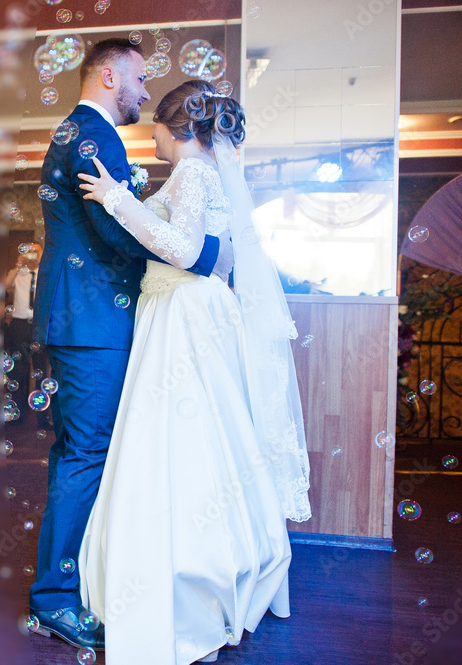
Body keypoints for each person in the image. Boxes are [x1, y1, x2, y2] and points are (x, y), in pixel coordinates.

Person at [76, 81, 312, 663]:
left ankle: (186, 587)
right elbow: (214, 253)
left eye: (153, 126)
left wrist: (115, 198)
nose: (148, 136)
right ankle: (212, 568)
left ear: (173, 127)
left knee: (179, 444)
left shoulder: (194, 173)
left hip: (180, 315)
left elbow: (184, 250)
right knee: (206, 440)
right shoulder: (202, 174)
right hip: (187, 311)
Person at [27, 38, 234, 652]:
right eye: (140, 79)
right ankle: (56, 600)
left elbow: (118, 223)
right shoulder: (91, 136)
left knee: (88, 453)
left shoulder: (88, 135)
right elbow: (117, 234)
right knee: (86, 454)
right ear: (109, 74)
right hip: (90, 324)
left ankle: (78, 583)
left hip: (93, 320)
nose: (145, 93)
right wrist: (205, 255)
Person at [3, 241, 50, 428]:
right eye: (29, 252)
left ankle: (43, 419)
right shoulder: (18, 273)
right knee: (18, 370)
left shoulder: (46, 273)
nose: (32, 255)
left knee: (41, 371)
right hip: (19, 325)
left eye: (35, 252)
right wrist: (17, 265)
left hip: (39, 325)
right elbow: (4, 286)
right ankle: (17, 414)